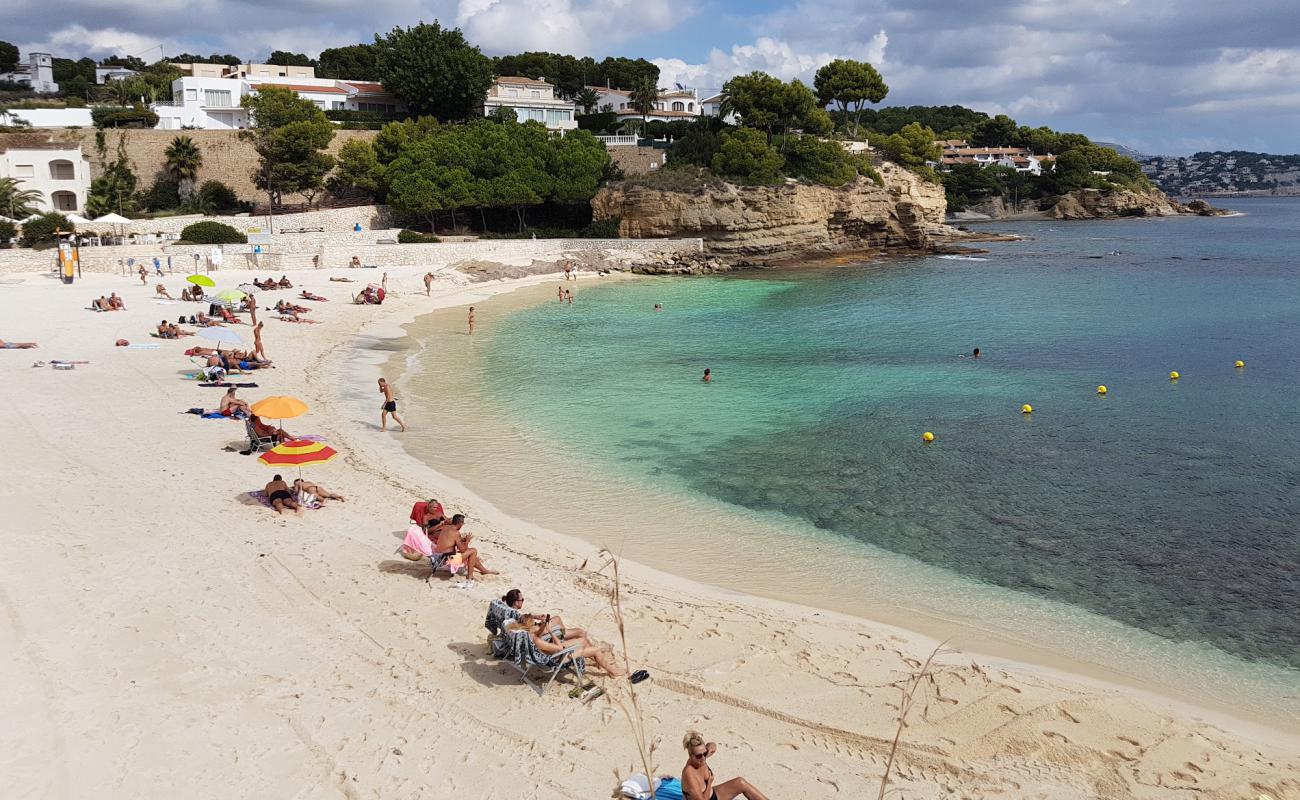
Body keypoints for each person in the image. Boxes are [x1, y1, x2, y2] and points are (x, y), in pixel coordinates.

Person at [509, 615, 626, 677]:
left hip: (550, 656)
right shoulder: (536, 641)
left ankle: (599, 661)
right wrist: (550, 632)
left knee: (584, 642)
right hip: (557, 659)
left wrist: (543, 626)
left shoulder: (528, 636)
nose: (538, 624)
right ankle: (613, 671)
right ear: (530, 627)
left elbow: (537, 635)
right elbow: (559, 648)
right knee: (594, 649)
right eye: (535, 624)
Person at [681, 732, 769, 800]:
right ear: (690, 755)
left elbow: (712, 745)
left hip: (713, 795)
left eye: (704, 753)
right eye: (699, 755)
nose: (703, 758)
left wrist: (709, 749)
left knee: (740, 782)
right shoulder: (689, 774)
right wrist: (709, 783)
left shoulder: (701, 758)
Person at [490, 589, 587, 642]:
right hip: (539, 633)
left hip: (531, 629)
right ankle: (563, 641)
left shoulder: (507, 613)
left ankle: (564, 637)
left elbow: (521, 617)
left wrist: (535, 617)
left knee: (557, 619)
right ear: (516, 602)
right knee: (581, 632)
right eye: (522, 600)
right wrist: (543, 625)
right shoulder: (515, 616)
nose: (523, 601)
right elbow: (536, 635)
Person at [430, 514, 494, 580]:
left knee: (470, 552)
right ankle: (470, 576)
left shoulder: (445, 527)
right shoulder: (456, 533)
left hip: (439, 556)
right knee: (473, 551)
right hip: (447, 560)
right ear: (460, 523)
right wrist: (467, 541)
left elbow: (449, 539)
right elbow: (463, 550)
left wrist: (462, 540)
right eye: (462, 523)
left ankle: (484, 571)